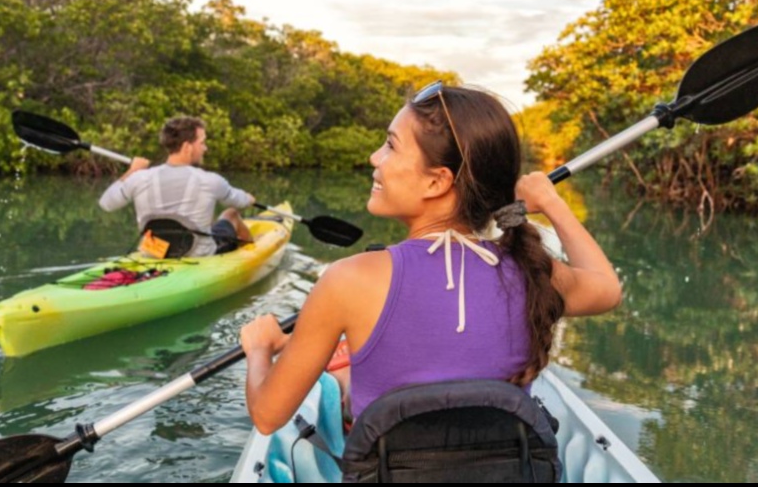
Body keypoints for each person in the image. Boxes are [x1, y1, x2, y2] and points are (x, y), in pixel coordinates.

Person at [239, 82, 622, 435]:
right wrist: (552, 204)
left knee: (343, 380)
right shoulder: (531, 270)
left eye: (390, 145)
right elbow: (606, 289)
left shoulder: (348, 280)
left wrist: (259, 349)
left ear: (437, 181)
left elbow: (269, 416)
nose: (375, 158)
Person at [98, 116, 256, 257]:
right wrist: (249, 198)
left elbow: (106, 204)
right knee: (231, 214)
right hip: (198, 255)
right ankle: (253, 255)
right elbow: (240, 202)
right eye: (202, 142)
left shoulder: (139, 178)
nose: (205, 148)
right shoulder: (210, 181)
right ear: (187, 147)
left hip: (154, 253)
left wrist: (131, 171)